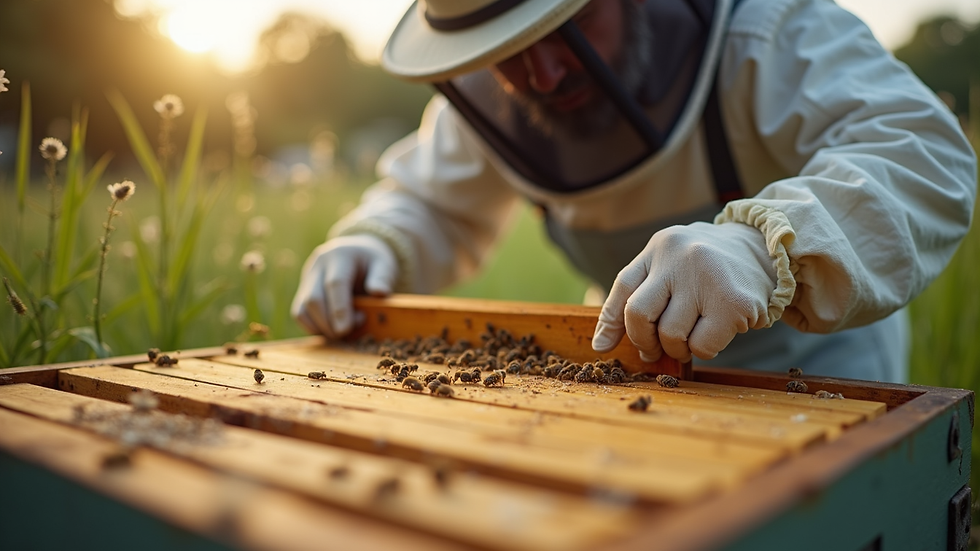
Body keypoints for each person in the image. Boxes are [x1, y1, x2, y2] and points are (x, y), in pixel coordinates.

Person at [292, 0, 977, 383]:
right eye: (509, 52)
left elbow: (925, 155)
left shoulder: (770, 32)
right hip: (637, 378)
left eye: (573, 27)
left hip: (815, 380)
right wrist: (372, 240)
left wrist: (761, 245)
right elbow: (429, 203)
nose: (546, 73)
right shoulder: (490, 101)